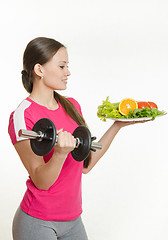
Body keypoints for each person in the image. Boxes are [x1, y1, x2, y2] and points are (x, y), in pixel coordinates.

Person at [8, 37, 146, 240]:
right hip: (37, 221)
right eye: (62, 66)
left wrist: (117, 125)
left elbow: (85, 165)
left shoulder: (71, 106)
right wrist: (60, 153)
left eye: (67, 66)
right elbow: (41, 181)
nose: (68, 72)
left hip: (73, 221)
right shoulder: (22, 116)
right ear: (39, 69)